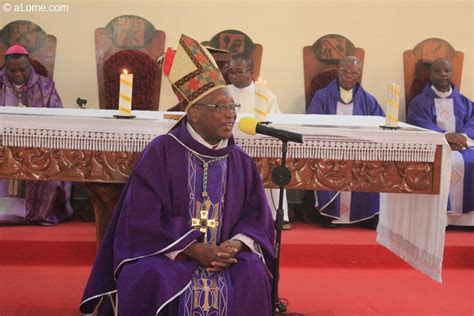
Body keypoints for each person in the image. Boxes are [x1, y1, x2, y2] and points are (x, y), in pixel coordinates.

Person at [80, 34, 275, 316]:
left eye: (232, 107)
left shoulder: (241, 161)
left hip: (226, 256)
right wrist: (192, 248)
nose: (230, 115)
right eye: (220, 107)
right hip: (169, 254)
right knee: (148, 274)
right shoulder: (162, 152)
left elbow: (256, 216)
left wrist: (236, 243)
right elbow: (141, 217)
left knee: (253, 273)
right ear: (193, 113)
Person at [306, 56, 385, 228]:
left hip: (361, 150)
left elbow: (380, 125)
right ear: (338, 72)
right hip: (329, 149)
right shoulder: (322, 96)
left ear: (359, 75)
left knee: (372, 165)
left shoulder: (369, 100)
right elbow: (312, 124)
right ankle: (331, 214)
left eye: (354, 72)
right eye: (345, 71)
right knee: (327, 162)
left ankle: (366, 214)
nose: (349, 75)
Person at [0, 44, 72, 225]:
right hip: (2, 146)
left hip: (37, 148)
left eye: (22, 69)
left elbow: (58, 118)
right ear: (5, 67)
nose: (17, 74)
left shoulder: (46, 87)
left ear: (29, 65)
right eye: (12, 70)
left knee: (52, 165)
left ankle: (39, 214)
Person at [227, 54, 292, 230]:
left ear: (251, 72)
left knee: (273, 169)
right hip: (231, 144)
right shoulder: (224, 93)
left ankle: (279, 216)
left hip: (261, 143)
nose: (233, 76)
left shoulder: (266, 95)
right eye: (231, 71)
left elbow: (276, 121)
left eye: (239, 71)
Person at [407, 58, 474, 226]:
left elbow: (472, 122)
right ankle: (437, 220)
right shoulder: (419, 102)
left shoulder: (465, 102)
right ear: (430, 74)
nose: (443, 74)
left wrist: (462, 137)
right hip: (434, 146)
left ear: (453, 73)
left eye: (447, 71)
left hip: (463, 146)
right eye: (437, 71)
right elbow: (419, 123)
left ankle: (469, 220)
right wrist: (445, 137)